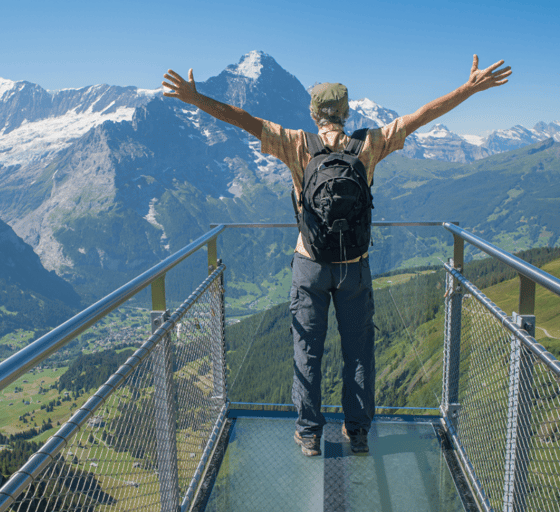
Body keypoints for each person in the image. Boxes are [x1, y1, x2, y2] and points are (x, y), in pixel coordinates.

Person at [162, 55, 511, 456]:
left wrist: (196, 98)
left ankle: (309, 434)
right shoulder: (369, 144)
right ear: (346, 113)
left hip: (309, 264)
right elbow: (421, 116)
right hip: (354, 268)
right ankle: (358, 432)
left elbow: (243, 119)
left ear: (314, 114)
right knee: (358, 351)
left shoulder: (297, 144)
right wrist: (469, 89)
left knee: (307, 350)